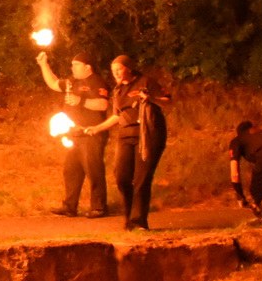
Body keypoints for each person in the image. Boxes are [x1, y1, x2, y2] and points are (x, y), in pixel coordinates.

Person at [83, 55, 172, 231]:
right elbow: (117, 116)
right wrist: (97, 128)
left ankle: (138, 222)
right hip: (126, 135)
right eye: (113, 70)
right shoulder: (118, 90)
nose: (115, 73)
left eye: (119, 69)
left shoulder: (146, 82)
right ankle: (130, 217)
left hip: (148, 135)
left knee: (141, 179)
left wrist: (150, 98)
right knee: (122, 178)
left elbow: (168, 101)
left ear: (128, 69)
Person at [36, 50, 112, 217]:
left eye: (76, 65)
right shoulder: (72, 82)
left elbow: (102, 105)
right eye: (72, 65)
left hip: (92, 133)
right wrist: (44, 64)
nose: (73, 68)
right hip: (74, 134)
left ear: (88, 67)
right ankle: (70, 206)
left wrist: (81, 101)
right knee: (71, 170)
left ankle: (99, 207)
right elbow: (54, 83)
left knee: (93, 170)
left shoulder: (97, 82)